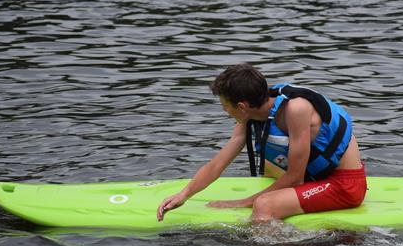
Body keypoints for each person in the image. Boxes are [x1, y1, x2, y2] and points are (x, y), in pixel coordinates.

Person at [156, 63, 366, 223]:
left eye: (224, 106)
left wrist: (242, 203)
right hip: (317, 178)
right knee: (268, 171)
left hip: (344, 185)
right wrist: (184, 194)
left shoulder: (296, 109)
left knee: (263, 204)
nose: (224, 111)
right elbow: (217, 164)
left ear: (241, 106)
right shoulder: (252, 113)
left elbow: (295, 178)